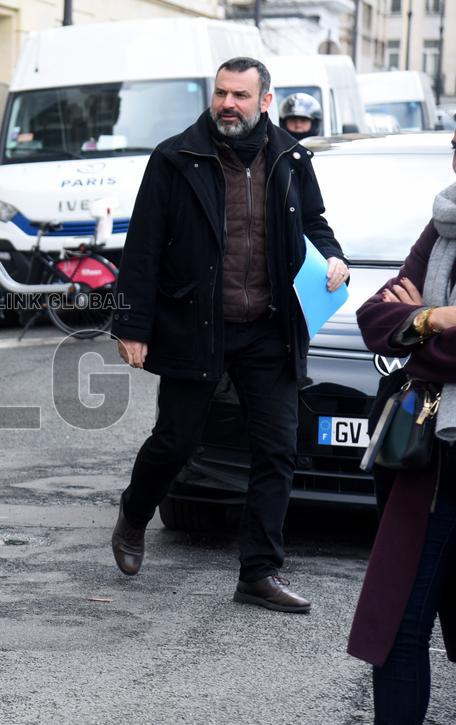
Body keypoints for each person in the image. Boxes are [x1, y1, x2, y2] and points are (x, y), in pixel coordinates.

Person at [110, 58, 349, 613]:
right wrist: (131, 325)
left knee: (277, 449)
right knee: (176, 441)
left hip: (269, 329)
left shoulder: (290, 158)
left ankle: (259, 573)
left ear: (265, 101)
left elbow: (314, 223)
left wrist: (333, 256)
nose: (227, 104)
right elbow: (142, 245)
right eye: (221, 93)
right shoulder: (175, 157)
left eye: (240, 95)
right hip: (196, 325)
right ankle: (134, 514)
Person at [348, 132, 456, 724]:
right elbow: (373, 316)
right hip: (431, 460)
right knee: (397, 629)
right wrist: (433, 318)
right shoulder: (442, 227)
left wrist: (415, 330)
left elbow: (402, 334)